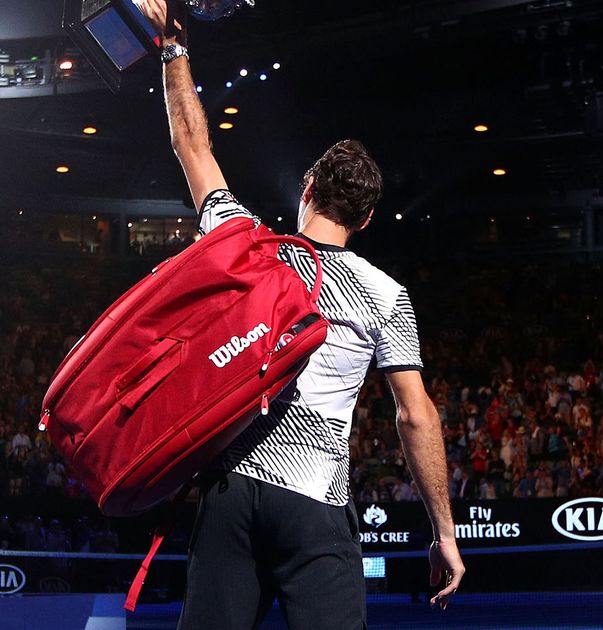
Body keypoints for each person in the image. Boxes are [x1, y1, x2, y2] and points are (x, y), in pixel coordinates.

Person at [135, 2, 464, 627]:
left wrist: (173, 46)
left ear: (305, 190)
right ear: (366, 220)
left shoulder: (243, 243)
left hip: (231, 493)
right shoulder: (384, 294)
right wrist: (443, 532)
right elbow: (415, 415)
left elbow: (192, 146)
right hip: (314, 501)